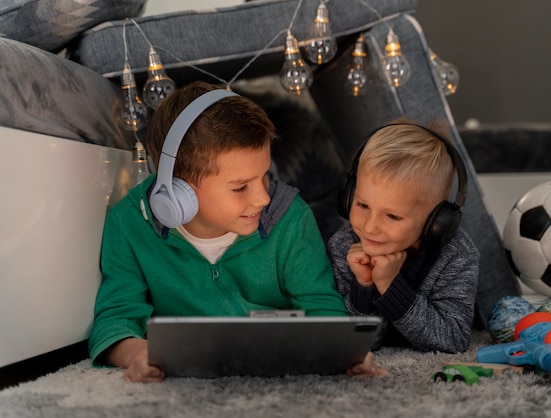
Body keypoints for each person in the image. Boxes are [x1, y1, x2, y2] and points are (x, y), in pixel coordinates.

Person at [89, 81, 386, 382]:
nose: (263, 198)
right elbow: (116, 319)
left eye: (265, 176)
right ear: (178, 191)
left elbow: (322, 306)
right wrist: (137, 354)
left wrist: (342, 351)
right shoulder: (128, 223)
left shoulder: (292, 218)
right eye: (241, 187)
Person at [327, 121, 479, 353]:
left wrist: (390, 285)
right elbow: (361, 342)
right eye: (362, 204)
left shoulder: (456, 255)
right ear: (348, 196)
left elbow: (453, 339)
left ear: (436, 221)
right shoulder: (344, 246)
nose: (370, 227)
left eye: (392, 216)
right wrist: (364, 285)